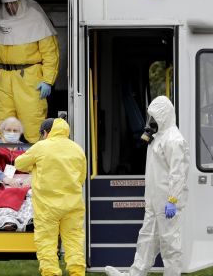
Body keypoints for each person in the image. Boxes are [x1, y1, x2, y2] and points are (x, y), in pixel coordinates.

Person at [105, 96, 189, 276]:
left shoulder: (174, 140)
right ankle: (134, 274)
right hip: (153, 201)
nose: (151, 120)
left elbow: (178, 173)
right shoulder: (158, 136)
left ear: (164, 115)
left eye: (154, 116)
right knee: (146, 240)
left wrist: (172, 199)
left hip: (167, 202)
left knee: (170, 244)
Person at [0, 0, 60, 143]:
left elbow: (50, 54)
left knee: (32, 120)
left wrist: (48, 80)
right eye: (6, 4)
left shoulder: (36, 20)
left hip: (29, 78)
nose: (10, 7)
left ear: (21, 1)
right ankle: (7, 164)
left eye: (13, 3)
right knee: (4, 122)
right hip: (2, 78)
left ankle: (36, 165)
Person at [15, 118, 87, 276]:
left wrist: (34, 165)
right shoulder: (77, 149)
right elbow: (81, 177)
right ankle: (77, 273)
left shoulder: (41, 147)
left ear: (45, 133)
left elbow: (19, 163)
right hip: (73, 206)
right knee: (74, 243)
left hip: (47, 208)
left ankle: (51, 273)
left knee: (47, 244)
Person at [0, 117, 33, 231]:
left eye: (15, 131)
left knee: (33, 193)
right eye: (8, 130)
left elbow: (32, 166)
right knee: (5, 193)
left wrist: (30, 178)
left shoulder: (25, 148)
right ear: (2, 131)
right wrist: (5, 178)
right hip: (1, 181)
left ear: (20, 133)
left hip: (22, 181)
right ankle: (8, 221)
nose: (12, 133)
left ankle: (28, 221)